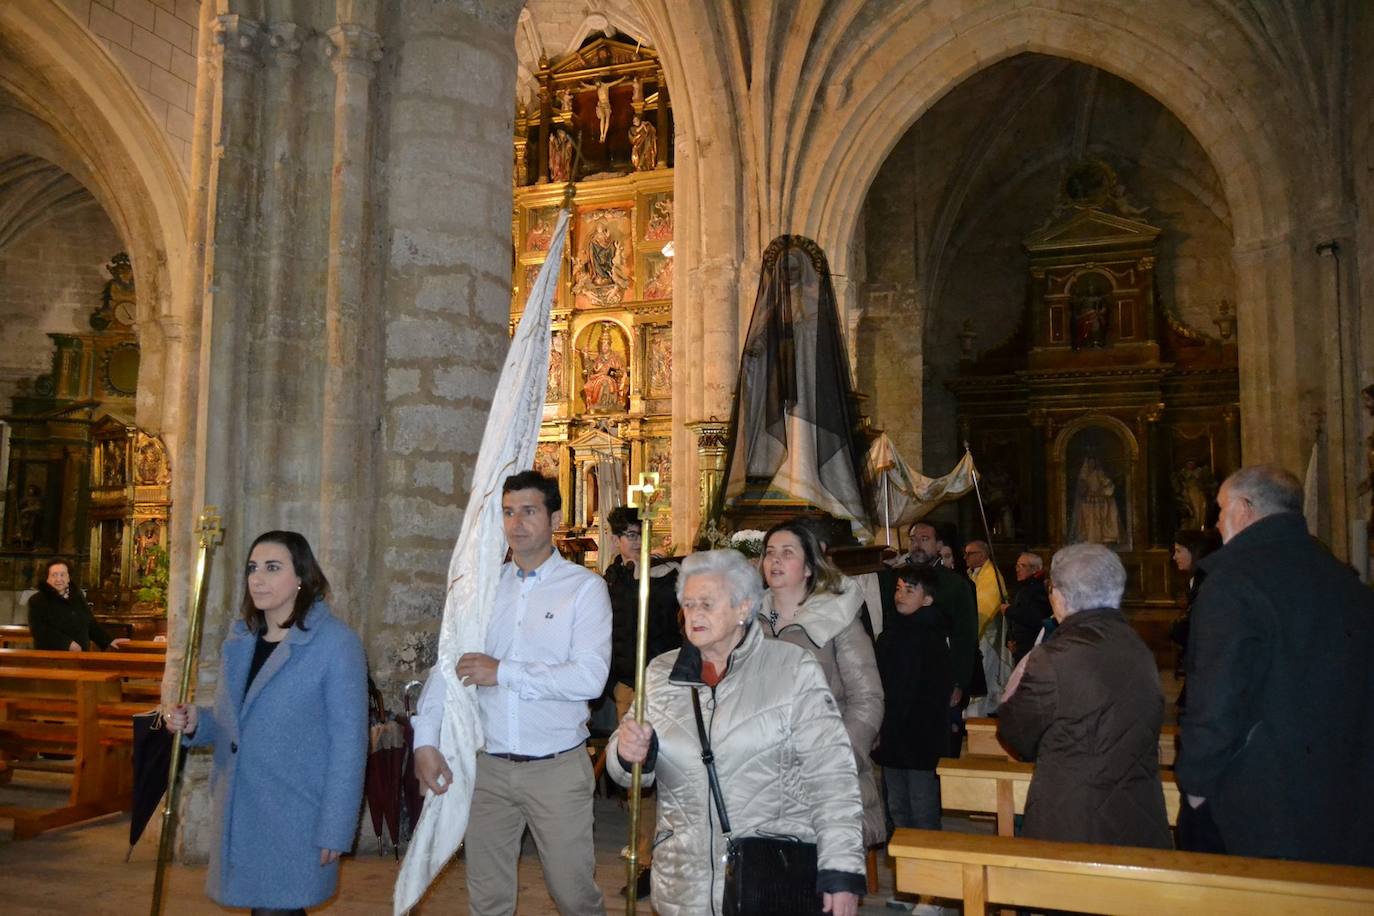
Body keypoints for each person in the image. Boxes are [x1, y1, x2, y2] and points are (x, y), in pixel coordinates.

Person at [608, 548, 865, 916]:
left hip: (768, 876)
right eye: (688, 604)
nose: (694, 614)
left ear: (744, 608)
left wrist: (841, 872)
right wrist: (627, 753)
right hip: (684, 882)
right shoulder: (660, 674)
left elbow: (833, 776)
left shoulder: (791, 669)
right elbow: (627, 764)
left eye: (707, 604)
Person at [411, 471, 611, 914]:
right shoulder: (481, 592)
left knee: (573, 894)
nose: (517, 523)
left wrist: (504, 672)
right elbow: (448, 666)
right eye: (508, 512)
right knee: (487, 899)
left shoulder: (584, 589)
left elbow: (590, 678)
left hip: (556, 767)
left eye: (529, 511)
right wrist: (425, 739)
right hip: (489, 768)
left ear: (554, 517)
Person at [1176, 465, 1374, 865]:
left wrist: (1195, 787)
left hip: (1260, 795)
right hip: (1344, 784)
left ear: (1245, 510)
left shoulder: (1232, 581)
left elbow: (1215, 695)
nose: (1216, 523)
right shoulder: (1343, 578)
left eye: (1220, 510)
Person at [166, 531, 368, 915]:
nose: (257, 578)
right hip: (242, 807)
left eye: (272, 568)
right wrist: (197, 722)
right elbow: (234, 724)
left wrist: (336, 826)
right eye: (252, 568)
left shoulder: (335, 644)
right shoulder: (242, 639)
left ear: (300, 578)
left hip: (296, 815)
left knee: (280, 909)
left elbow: (350, 744)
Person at [997, 543, 1171, 849]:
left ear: (1060, 597)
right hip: (1138, 809)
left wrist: (1012, 695)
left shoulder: (1052, 658)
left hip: (1074, 815)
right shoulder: (1139, 647)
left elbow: (1017, 737)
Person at [760, 520, 886, 851]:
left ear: (807, 567)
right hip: (761, 769)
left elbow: (867, 698)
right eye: (770, 553)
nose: (775, 561)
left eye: (787, 553)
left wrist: (839, 756)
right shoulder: (749, 621)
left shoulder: (837, 617)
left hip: (822, 766)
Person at [603, 504, 681, 894]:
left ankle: (656, 858)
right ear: (616, 539)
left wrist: (648, 575)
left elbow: (670, 628)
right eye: (629, 535)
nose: (635, 541)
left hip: (662, 686)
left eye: (640, 533)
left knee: (662, 773)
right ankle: (643, 854)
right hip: (627, 686)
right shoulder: (612, 576)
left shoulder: (667, 576)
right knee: (636, 777)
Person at [872, 564, 953, 833]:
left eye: (910, 590)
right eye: (898, 589)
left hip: (920, 735)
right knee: (897, 806)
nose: (900, 596)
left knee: (922, 807)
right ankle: (905, 867)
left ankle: (929, 870)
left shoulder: (932, 635)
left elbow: (929, 688)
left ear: (927, 599)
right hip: (893, 732)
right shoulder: (890, 633)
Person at [1166, 528, 1221, 699]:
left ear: (1194, 551)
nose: (1174, 557)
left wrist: (1178, 628)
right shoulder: (1197, 578)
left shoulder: (1206, 579)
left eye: (1179, 551)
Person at [27, 559, 128, 652]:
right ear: (47, 578)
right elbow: (40, 630)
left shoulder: (77, 596)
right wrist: (67, 644)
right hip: (52, 657)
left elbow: (89, 622)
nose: (58, 579)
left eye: (62, 575)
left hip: (80, 655)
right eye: (54, 575)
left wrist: (108, 641)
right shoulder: (37, 601)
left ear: (68, 577)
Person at [1002, 552, 1050, 664]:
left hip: (1032, 649)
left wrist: (1009, 610)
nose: (1017, 569)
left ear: (1035, 569)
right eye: (1017, 566)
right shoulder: (1025, 587)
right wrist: (1010, 639)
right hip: (1021, 648)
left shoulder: (1039, 590)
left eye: (1022, 566)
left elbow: (1035, 618)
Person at [963, 539, 1005, 637]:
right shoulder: (974, 572)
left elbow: (983, 608)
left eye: (969, 554)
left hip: (988, 634)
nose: (965, 557)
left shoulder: (991, 576)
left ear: (981, 555)